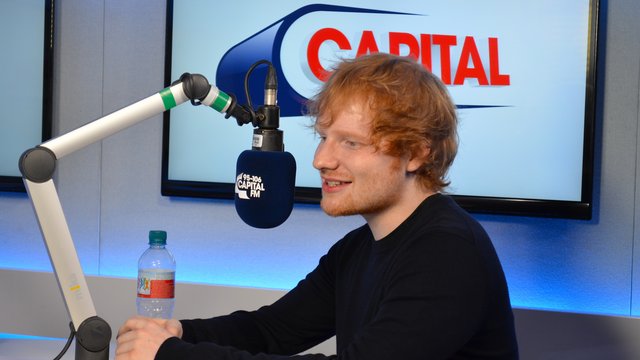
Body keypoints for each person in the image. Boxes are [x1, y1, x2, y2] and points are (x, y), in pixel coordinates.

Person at [115, 53, 519, 359]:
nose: (321, 160)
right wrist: (179, 333)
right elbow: (272, 330)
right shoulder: (358, 249)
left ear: (414, 153)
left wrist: (169, 353)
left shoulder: (447, 253)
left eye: (350, 142)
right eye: (324, 137)